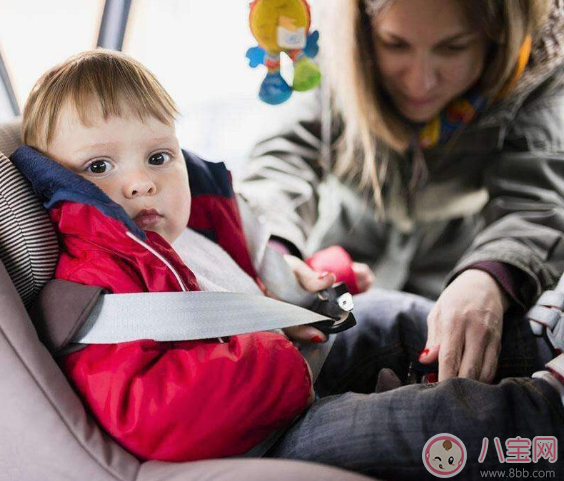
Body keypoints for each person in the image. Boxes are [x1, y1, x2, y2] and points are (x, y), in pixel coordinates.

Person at [10, 48, 564, 480]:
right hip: (259, 440)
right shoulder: (99, 284)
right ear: (55, 182)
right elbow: (149, 415)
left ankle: (537, 339)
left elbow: (239, 290)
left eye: (159, 157)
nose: (140, 180)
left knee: (393, 315)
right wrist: (276, 344)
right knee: (427, 424)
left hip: (284, 376)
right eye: (99, 165)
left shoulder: (186, 236)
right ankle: (545, 414)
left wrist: (318, 280)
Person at [239, 0, 564, 384]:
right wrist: (272, 252)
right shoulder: (327, 47)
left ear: (499, 37)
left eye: (453, 48)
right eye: (395, 45)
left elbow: (534, 202)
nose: (420, 81)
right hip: (339, 248)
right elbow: (282, 160)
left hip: (456, 267)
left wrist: (489, 276)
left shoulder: (540, 69)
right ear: (362, 30)